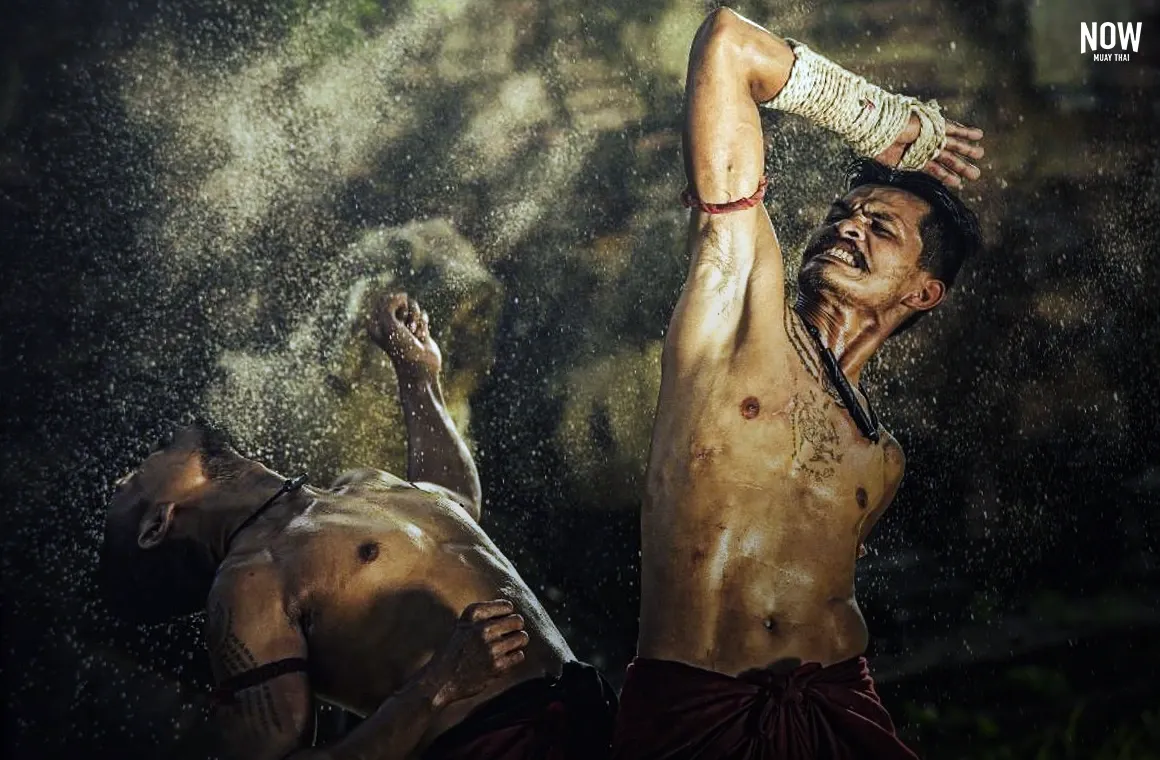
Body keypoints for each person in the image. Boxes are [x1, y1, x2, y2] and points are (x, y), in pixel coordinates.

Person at [612, 8, 984, 759]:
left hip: (840, 707)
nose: (849, 226)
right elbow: (726, 42)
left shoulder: (882, 463)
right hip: (697, 710)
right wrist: (875, 117)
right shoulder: (737, 310)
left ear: (922, 291)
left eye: (881, 228)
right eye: (844, 214)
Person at [100, 293, 616, 760]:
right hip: (494, 745)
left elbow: (452, 504)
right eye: (126, 487)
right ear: (155, 527)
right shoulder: (248, 585)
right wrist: (435, 686)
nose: (134, 467)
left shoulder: (353, 485)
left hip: (593, 712)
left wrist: (418, 381)